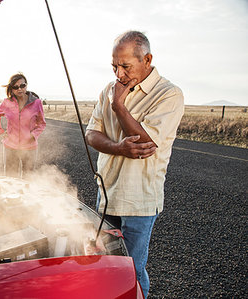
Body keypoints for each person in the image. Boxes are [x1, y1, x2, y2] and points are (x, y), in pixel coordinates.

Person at [85, 31, 184, 298]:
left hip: (139, 200)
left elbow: (146, 141)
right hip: (107, 194)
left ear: (147, 59)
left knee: (132, 269)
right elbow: (91, 134)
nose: (119, 74)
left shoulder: (168, 94)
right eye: (114, 66)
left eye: (126, 66)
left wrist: (119, 106)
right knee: (105, 265)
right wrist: (118, 147)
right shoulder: (107, 90)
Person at [0, 73, 46, 178]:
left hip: (29, 147)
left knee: (28, 178)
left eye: (22, 85)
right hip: (10, 147)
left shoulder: (37, 103)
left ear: (26, 85)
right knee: (10, 179)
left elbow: (41, 123)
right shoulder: (7, 103)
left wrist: (33, 135)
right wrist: (0, 132)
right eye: (16, 87)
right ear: (11, 89)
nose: (19, 89)